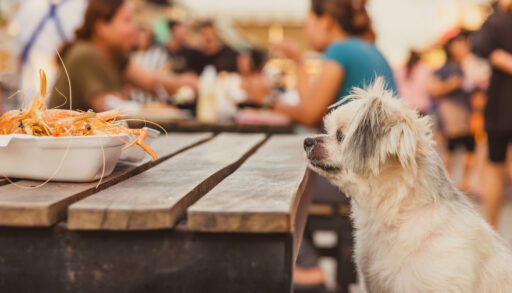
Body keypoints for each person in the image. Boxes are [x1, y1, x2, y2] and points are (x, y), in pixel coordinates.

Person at [250, 0, 397, 127]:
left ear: (325, 22)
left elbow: (309, 116)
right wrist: (299, 61)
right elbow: (310, 104)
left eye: (308, 23)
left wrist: (267, 99)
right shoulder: (370, 48)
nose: (307, 32)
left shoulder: (339, 50)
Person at [48, 0, 197, 112]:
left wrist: (187, 82)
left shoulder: (115, 54)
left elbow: (150, 81)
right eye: (127, 20)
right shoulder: (86, 54)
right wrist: (157, 111)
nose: (134, 28)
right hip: (65, 147)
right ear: (102, 27)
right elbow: (110, 108)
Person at [471, 0, 512, 229]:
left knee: (495, 166)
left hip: (499, 104)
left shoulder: (495, 19)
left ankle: (493, 232)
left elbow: (482, 46)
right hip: (500, 104)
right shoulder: (497, 18)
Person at [428, 32, 476, 191]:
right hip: (450, 117)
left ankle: (465, 182)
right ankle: (449, 181)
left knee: (470, 149)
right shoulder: (444, 68)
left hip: (470, 116)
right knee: (450, 150)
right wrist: (452, 85)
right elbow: (433, 89)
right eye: (459, 43)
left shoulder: (470, 66)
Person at [394, 50, 433, 115]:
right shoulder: (424, 68)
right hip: (421, 107)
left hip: (406, 107)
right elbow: (430, 87)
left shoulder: (401, 70)